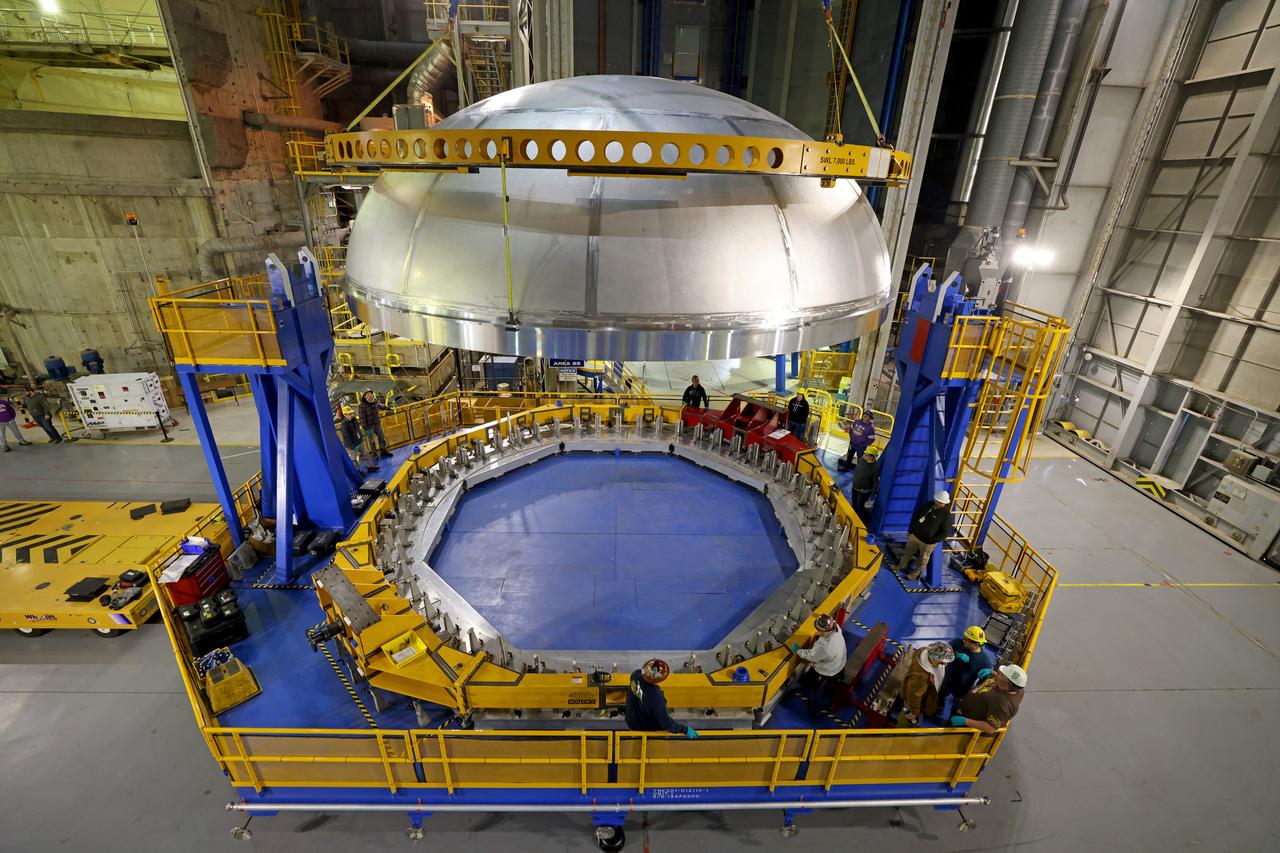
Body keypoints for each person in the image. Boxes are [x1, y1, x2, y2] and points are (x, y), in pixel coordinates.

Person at [624, 658, 699, 738]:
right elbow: (666, 723)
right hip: (646, 729)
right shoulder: (655, 697)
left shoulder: (635, 675)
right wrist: (685, 730)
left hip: (632, 721)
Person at [789, 613, 847, 710]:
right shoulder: (835, 627)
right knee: (809, 677)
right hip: (840, 662)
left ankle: (815, 707)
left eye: (820, 631)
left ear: (826, 631)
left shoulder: (825, 646)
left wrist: (798, 650)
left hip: (827, 671)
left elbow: (811, 656)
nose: (818, 632)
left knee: (817, 688)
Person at [950, 664, 1027, 733]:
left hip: (967, 721)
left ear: (1007, 684)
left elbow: (991, 728)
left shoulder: (1003, 705)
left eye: (1000, 675)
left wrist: (965, 722)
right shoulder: (1018, 688)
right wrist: (992, 672)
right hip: (965, 705)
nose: (997, 675)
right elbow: (1008, 680)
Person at [938, 625, 994, 718]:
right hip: (946, 680)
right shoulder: (957, 643)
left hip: (962, 689)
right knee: (940, 697)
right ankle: (938, 710)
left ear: (976, 644)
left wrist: (973, 692)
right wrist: (955, 654)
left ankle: (951, 723)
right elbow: (941, 652)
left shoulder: (984, 662)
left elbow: (983, 683)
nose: (963, 640)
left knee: (956, 709)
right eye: (964, 638)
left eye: (967, 640)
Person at [896, 490, 953, 581]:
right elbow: (917, 516)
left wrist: (932, 540)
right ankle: (901, 566)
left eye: (941, 503)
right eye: (938, 501)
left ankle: (915, 574)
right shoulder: (927, 506)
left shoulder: (946, 516)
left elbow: (945, 533)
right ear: (935, 499)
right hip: (915, 536)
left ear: (945, 503)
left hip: (928, 543)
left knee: (923, 559)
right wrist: (912, 530)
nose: (938, 504)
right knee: (908, 552)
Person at [896, 641, 955, 727]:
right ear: (935, 658)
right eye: (942, 661)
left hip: (921, 698)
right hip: (914, 704)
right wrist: (914, 712)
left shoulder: (924, 652)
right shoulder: (920, 677)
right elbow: (914, 696)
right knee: (907, 722)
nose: (944, 664)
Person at [358, 389, 391, 459]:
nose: (369, 395)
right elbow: (361, 418)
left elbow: (381, 406)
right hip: (368, 427)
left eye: (370, 394)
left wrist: (389, 408)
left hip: (377, 424)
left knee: (382, 437)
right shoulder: (361, 406)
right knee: (372, 441)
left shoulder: (375, 401)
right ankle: (374, 454)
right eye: (367, 394)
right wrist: (364, 427)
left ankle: (383, 451)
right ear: (364, 397)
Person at [848, 450, 880, 522]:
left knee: (860, 507)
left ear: (872, 456)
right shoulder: (862, 460)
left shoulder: (875, 468)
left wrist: (872, 495)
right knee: (854, 504)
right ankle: (852, 518)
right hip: (855, 488)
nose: (864, 454)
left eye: (866, 454)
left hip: (863, 492)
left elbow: (876, 482)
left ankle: (858, 520)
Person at [338, 407, 369, 472]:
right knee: (354, 460)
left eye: (351, 413)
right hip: (351, 445)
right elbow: (347, 437)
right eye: (349, 414)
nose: (351, 415)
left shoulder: (354, 419)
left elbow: (358, 429)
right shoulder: (344, 425)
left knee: (366, 453)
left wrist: (361, 437)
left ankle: (369, 466)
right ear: (345, 415)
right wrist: (352, 446)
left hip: (359, 441)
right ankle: (357, 472)